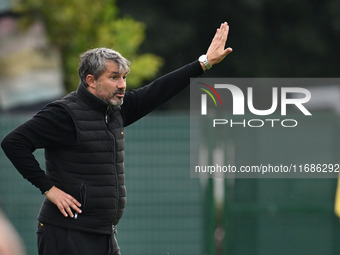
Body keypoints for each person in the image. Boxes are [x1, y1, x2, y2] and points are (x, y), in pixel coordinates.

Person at [1, 22, 233, 255]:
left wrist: (204, 63)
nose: (122, 85)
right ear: (91, 80)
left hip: (104, 233)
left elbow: (159, 90)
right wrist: (48, 188)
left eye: (123, 77)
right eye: (114, 77)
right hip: (66, 233)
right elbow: (13, 142)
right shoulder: (64, 114)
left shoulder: (116, 110)